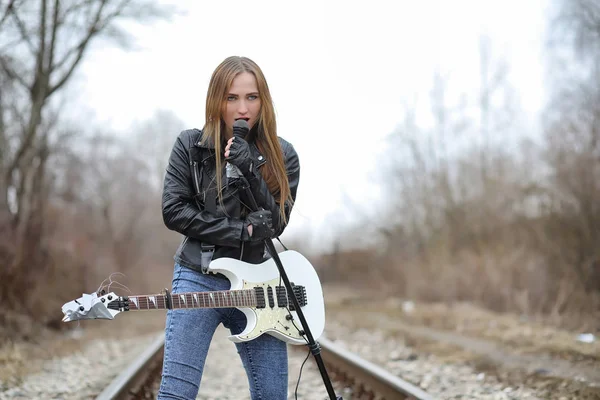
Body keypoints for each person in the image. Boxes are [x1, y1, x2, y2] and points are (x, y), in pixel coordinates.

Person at [158, 56, 300, 400]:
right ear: (216, 101)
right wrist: (239, 232)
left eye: (251, 97)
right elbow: (174, 210)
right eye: (231, 98)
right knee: (176, 394)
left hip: (259, 284)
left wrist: (251, 170)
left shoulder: (284, 155)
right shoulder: (190, 146)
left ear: (263, 101)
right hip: (198, 274)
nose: (242, 109)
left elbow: (276, 223)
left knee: (271, 396)